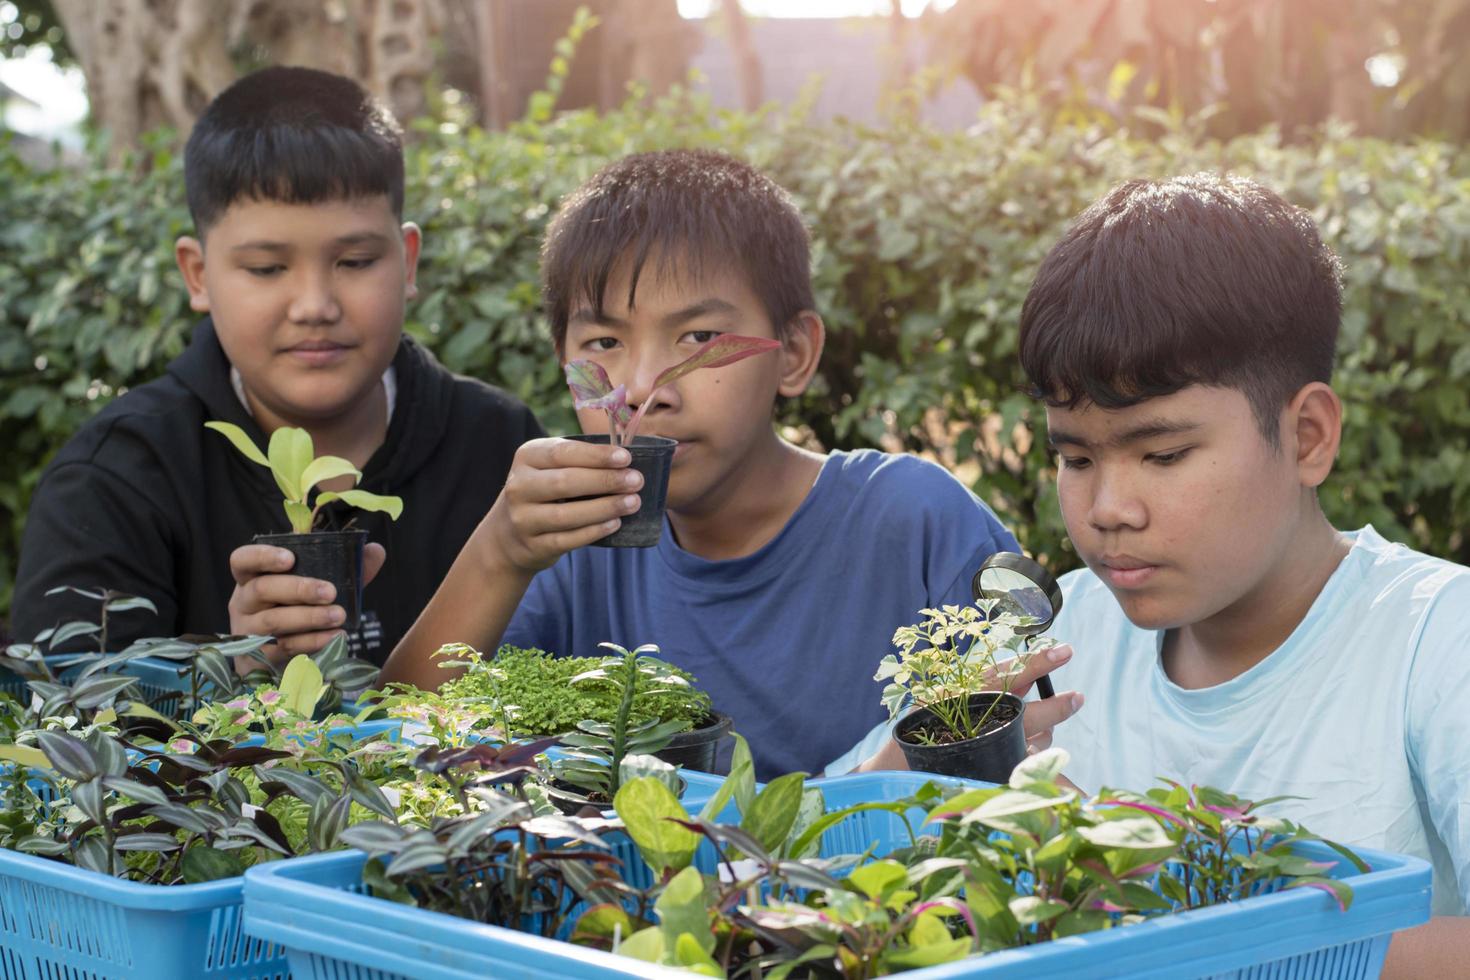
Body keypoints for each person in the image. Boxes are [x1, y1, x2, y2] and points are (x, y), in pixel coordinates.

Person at [381, 149, 1081, 780]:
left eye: (700, 336)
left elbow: (1046, 752)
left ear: (796, 353)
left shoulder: (914, 522)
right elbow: (392, 750)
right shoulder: (572, 549)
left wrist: (891, 780)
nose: (649, 387)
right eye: (604, 341)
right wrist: (497, 554)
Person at [1014, 173, 1467, 974]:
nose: (1109, 507)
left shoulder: (1435, 641)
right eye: (1076, 457)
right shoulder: (1061, 639)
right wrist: (936, 761)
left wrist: (1235, 955)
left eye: (1162, 454)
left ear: (1307, 437)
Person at [12, 66, 541, 665]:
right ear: (198, 274)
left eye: (356, 260)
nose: (315, 306)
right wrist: (229, 668)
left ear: (408, 261)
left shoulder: (500, 448)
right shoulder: (114, 478)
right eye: (267, 269)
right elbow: (51, 724)